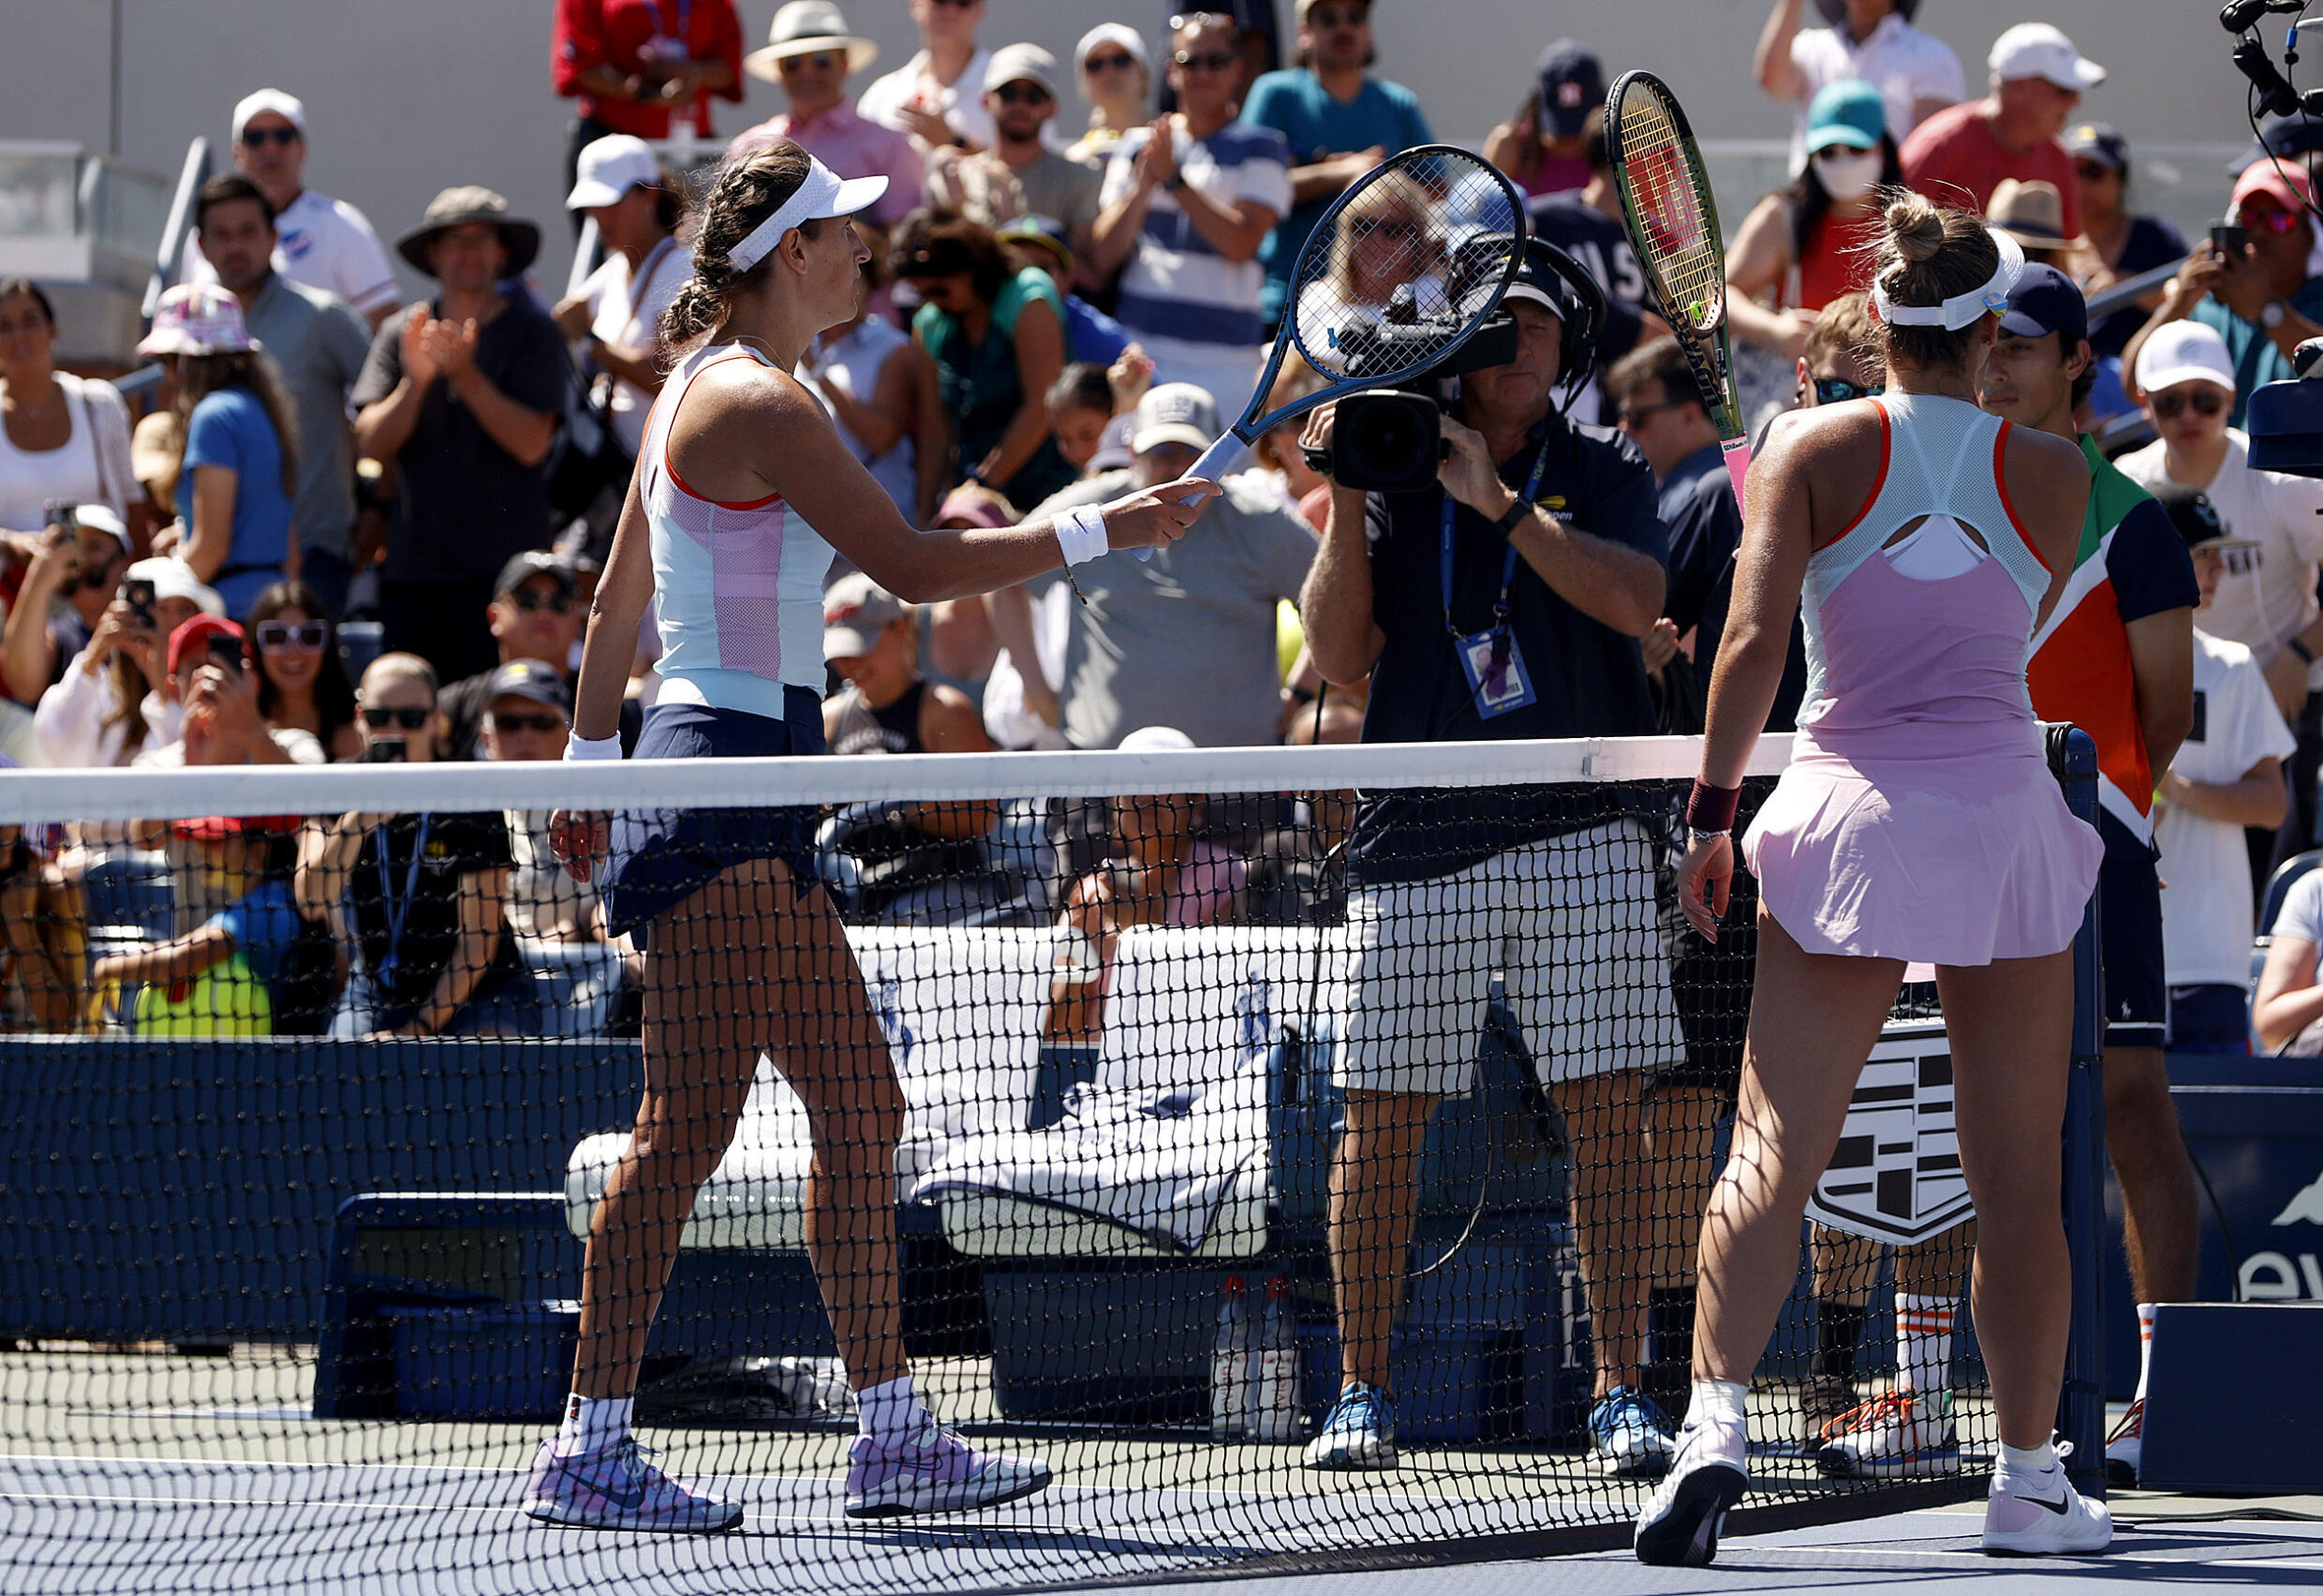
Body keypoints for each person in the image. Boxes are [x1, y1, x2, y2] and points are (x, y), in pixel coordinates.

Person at [532, 140, 1213, 1530]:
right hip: (722, 783)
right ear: (792, 254)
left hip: (734, 778)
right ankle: (617, 1443)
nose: (865, 249)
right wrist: (1106, 527)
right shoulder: (755, 403)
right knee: (758, 1122)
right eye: (843, 233)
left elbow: (615, 612)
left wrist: (590, 767)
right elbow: (908, 568)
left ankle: (863, 1432)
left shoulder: (704, 393)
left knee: (784, 1121)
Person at [1635, 198, 2109, 1564]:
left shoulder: (1806, 444)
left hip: (1844, 818)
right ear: (1989, 334)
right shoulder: (2062, 473)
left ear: (1884, 321)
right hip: (1998, 820)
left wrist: (1712, 819)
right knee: (2017, 1181)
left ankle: (1712, 1430)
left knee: (1770, 1154)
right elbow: (1989, 606)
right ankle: (2028, 1479)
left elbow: (1748, 646)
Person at [1296, 237, 1695, 1480]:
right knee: (1381, 1117)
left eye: (1535, 325)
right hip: (1420, 831)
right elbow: (1338, 658)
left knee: (1606, 1114)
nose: (1516, 343)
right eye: (1496, 323)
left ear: (1566, 344)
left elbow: (1640, 604)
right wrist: (1353, 488)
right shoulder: (1393, 460)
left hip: (1581, 824)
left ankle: (1621, 1390)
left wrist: (1505, 509)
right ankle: (1363, 1390)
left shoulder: (1601, 467)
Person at [1806, 263, 2200, 1487]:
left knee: (2129, 1109)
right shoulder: (1927, 488)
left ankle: (2164, 1399)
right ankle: (1923, 1401)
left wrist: (2090, 806)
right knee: (1949, 1112)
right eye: (1991, 345)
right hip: (1950, 829)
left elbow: (2166, 713)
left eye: (2024, 348)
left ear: (2079, 363)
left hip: (2097, 846)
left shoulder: (2127, 516)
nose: (1999, 367)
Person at [2115, 320, 2323, 871]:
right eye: (2170, 402)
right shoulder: (2127, 481)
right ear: (2143, 404)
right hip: (2174, 688)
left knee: (2272, 852)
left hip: (2283, 689)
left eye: (2205, 401)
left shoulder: (2284, 479)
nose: (2188, 416)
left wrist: (2299, 656)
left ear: (2232, 401)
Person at [1018, 383, 1315, 750]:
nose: (1178, 468)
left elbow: (1335, 602)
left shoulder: (1260, 522)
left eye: (1194, 454)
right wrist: (1036, 688)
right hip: (1103, 782)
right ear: (1132, 454)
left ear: (1220, 460)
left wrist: (1302, 693)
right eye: (1162, 452)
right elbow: (1007, 579)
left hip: (1236, 789)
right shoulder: (1090, 514)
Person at [352, 188, 568, 683]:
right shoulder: (400, 332)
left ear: (502, 252)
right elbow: (370, 444)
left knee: (506, 715)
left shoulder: (535, 333)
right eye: (455, 241)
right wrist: (417, 381)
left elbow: (533, 444)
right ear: (433, 253)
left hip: (505, 580)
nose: (468, 253)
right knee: (415, 716)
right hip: (414, 572)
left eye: (481, 240)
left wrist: (466, 375)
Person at [295, 652, 534, 1038]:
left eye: (410, 719)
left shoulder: (470, 798)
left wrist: (414, 1033)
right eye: (378, 718)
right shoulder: (334, 785)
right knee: (341, 1079)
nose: (394, 731)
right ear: (360, 720)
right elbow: (311, 901)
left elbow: (477, 947)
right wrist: (356, 824)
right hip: (376, 989)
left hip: (482, 992)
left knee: (488, 1073)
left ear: (436, 720)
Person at [188, 173, 375, 620]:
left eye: (249, 232)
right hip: (215, 566)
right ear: (201, 244)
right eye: (223, 234)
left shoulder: (322, 317)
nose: (236, 246)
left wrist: (377, 514)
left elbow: (383, 410)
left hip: (313, 556)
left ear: (273, 237)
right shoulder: (187, 330)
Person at [2152, 483, 2292, 1057]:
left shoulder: (2232, 665)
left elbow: (2272, 803)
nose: (2217, 569)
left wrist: (2173, 788)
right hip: (2117, 951)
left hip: (2213, 954)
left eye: (2218, 554)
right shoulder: (2104, 659)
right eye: (2201, 552)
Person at [1088, 11, 1291, 405]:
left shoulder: (1264, 146)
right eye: (1190, 61)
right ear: (1171, 72)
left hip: (1228, 364)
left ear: (1236, 70)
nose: (1203, 72)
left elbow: (1242, 243)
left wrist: (1175, 180)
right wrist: (1146, 184)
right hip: (1141, 355)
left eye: (1215, 61)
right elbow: (1103, 254)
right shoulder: (1138, 144)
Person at [1042, 723, 1246, 1044]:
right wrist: (1088, 953)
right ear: (1114, 805)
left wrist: (1137, 928)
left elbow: (1207, 1002)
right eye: (1132, 783)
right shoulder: (1090, 894)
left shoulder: (1228, 875)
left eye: (1163, 784)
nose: (1145, 798)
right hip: (1102, 1073)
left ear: (1194, 801)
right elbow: (1057, 1032)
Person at [820, 572, 1004, 924]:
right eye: (843, 652)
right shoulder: (830, 718)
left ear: (902, 628)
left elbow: (980, 815)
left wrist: (890, 800)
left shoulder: (945, 711)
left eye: (865, 645)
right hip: (852, 893)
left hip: (941, 895)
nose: (852, 663)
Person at [1241, 0, 1432, 327]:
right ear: (1305, 32)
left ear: (1367, 30)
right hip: (1286, 306)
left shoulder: (1398, 103)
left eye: (1355, 18)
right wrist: (1342, 173)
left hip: (1385, 316)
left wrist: (1382, 185)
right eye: (1328, 18)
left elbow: (1435, 191)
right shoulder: (1276, 93)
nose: (1344, 28)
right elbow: (1248, 187)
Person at [136, 286, 299, 622]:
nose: (166, 374)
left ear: (187, 361)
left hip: (228, 612)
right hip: (270, 606)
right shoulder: (258, 408)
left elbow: (212, 548)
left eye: (168, 360)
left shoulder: (214, 416)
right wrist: (184, 535)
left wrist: (161, 601)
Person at [894, 209, 1075, 510]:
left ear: (972, 266)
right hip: (973, 498)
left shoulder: (1029, 295)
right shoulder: (929, 323)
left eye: (940, 289)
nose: (933, 301)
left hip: (1046, 492)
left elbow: (1042, 405)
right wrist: (924, 522)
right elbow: (934, 432)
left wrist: (982, 484)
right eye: (922, 293)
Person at [2123, 162, 2323, 430]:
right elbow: (2132, 384)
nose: (2260, 232)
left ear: (2311, 234)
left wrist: (2268, 311)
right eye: (2249, 219)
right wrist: (2178, 304)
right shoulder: (2208, 306)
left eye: (2279, 219)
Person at [178, 90, 400, 331]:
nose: (270, 148)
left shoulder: (341, 224)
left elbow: (385, 322)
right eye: (255, 138)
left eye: (283, 136)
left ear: (302, 148)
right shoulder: (205, 231)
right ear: (237, 152)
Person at [91, 817, 330, 1037]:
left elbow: (181, 960)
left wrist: (105, 969)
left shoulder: (264, 907)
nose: (201, 848)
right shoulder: (279, 898)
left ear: (258, 852)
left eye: (216, 840)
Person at [1724, 81, 1901, 367]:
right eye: (1828, 152)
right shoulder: (1783, 217)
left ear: (1882, 147)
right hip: (1803, 397)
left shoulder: (1912, 217)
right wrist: (1775, 331)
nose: (1842, 161)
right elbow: (1720, 296)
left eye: (1856, 148)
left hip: (1886, 396)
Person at [554, 135, 690, 475]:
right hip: (623, 468)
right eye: (592, 203)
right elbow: (560, 321)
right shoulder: (611, 271)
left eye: (611, 201)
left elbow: (669, 378)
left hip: (669, 472)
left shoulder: (684, 269)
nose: (599, 215)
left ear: (651, 193)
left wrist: (590, 342)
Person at [730, 2, 924, 229]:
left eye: (821, 61)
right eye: (792, 64)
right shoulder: (748, 146)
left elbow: (899, 238)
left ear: (844, 65)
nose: (807, 73)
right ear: (779, 72)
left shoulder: (890, 144)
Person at [1525, 111, 1665, 425]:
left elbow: (1673, 332)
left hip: (1640, 413)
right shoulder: (1545, 220)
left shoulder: (1661, 238)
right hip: (1563, 398)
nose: (1667, 170)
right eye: (1659, 155)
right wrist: (1629, 326)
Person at [552, 0, 744, 225]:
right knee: (617, 248)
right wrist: (646, 93)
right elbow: (580, 66)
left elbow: (728, 67)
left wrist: (687, 72)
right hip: (614, 145)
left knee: (704, 246)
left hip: (690, 149)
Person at [1901, 23, 2099, 232]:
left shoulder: (2057, 159)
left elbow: (2072, 247)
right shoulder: (1940, 143)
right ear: (2020, 87)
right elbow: (1891, 236)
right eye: (2065, 91)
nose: (2076, 102)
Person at [437, 552, 629, 763]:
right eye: (527, 600)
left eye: (559, 602)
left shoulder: (609, 707)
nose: (544, 613)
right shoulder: (455, 706)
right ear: (494, 616)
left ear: (577, 620)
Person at [32, 558, 219, 768]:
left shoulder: (211, 688)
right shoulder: (103, 692)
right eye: (160, 608)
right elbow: (60, 750)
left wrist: (164, 690)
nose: (172, 621)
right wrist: (92, 659)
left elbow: (194, 764)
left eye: (184, 609)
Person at [1753, 0, 1961, 174]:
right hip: (1811, 210)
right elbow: (1773, 82)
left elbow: (1933, 153)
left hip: (1888, 212)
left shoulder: (1932, 55)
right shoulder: (1811, 47)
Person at [0, 277, 138, 534]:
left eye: (30, 322)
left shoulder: (100, 404)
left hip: (95, 573)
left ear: (52, 329)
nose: (18, 336)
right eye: (4, 326)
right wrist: (14, 546)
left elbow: (131, 499)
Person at [803, 244, 927, 519]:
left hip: (876, 520)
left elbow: (881, 437)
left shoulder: (893, 348)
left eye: (855, 279)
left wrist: (818, 373)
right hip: (816, 523)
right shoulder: (801, 340)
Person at [956, 45, 1102, 263]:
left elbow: (1084, 273)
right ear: (986, 101)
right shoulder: (958, 174)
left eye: (1033, 96)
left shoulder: (1079, 177)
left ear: (1052, 108)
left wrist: (1012, 223)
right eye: (1008, 93)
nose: (1020, 105)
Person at [2066, 123, 2186, 364]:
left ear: (2120, 179)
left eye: (2094, 171)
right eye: (2072, 171)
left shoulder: (2155, 237)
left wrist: (2125, 288)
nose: (2082, 184)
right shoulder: (2046, 240)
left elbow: (2191, 300)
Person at [2, 505, 130, 706]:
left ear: (126, 562)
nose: (82, 558)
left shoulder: (149, 624)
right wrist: (40, 579)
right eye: (75, 546)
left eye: (95, 547)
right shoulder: (62, 636)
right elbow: (25, 686)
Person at [856, 0, 995, 157]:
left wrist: (956, 143)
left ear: (979, 10)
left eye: (963, 2)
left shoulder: (1010, 89)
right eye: (939, 2)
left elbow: (1022, 173)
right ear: (915, 5)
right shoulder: (882, 94)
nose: (950, 10)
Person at [996, 215, 1132, 367]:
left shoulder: (1103, 340)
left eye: (1040, 268)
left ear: (1069, 278)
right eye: (1013, 265)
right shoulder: (976, 318)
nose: (1024, 279)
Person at [247, 579, 361, 761]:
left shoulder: (357, 729)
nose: (293, 651)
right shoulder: (239, 724)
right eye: (276, 636)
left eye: (310, 636)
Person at [1484, 39, 1605, 201]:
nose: (1570, 139)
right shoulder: (1510, 145)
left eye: (1579, 121)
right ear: (1538, 102)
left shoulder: (1627, 150)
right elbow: (1483, 212)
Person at [1068, 23, 1153, 167]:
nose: (1109, 71)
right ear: (1084, 84)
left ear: (1143, 74)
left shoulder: (1174, 141)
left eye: (1120, 60)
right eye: (1096, 64)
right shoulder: (1077, 161)